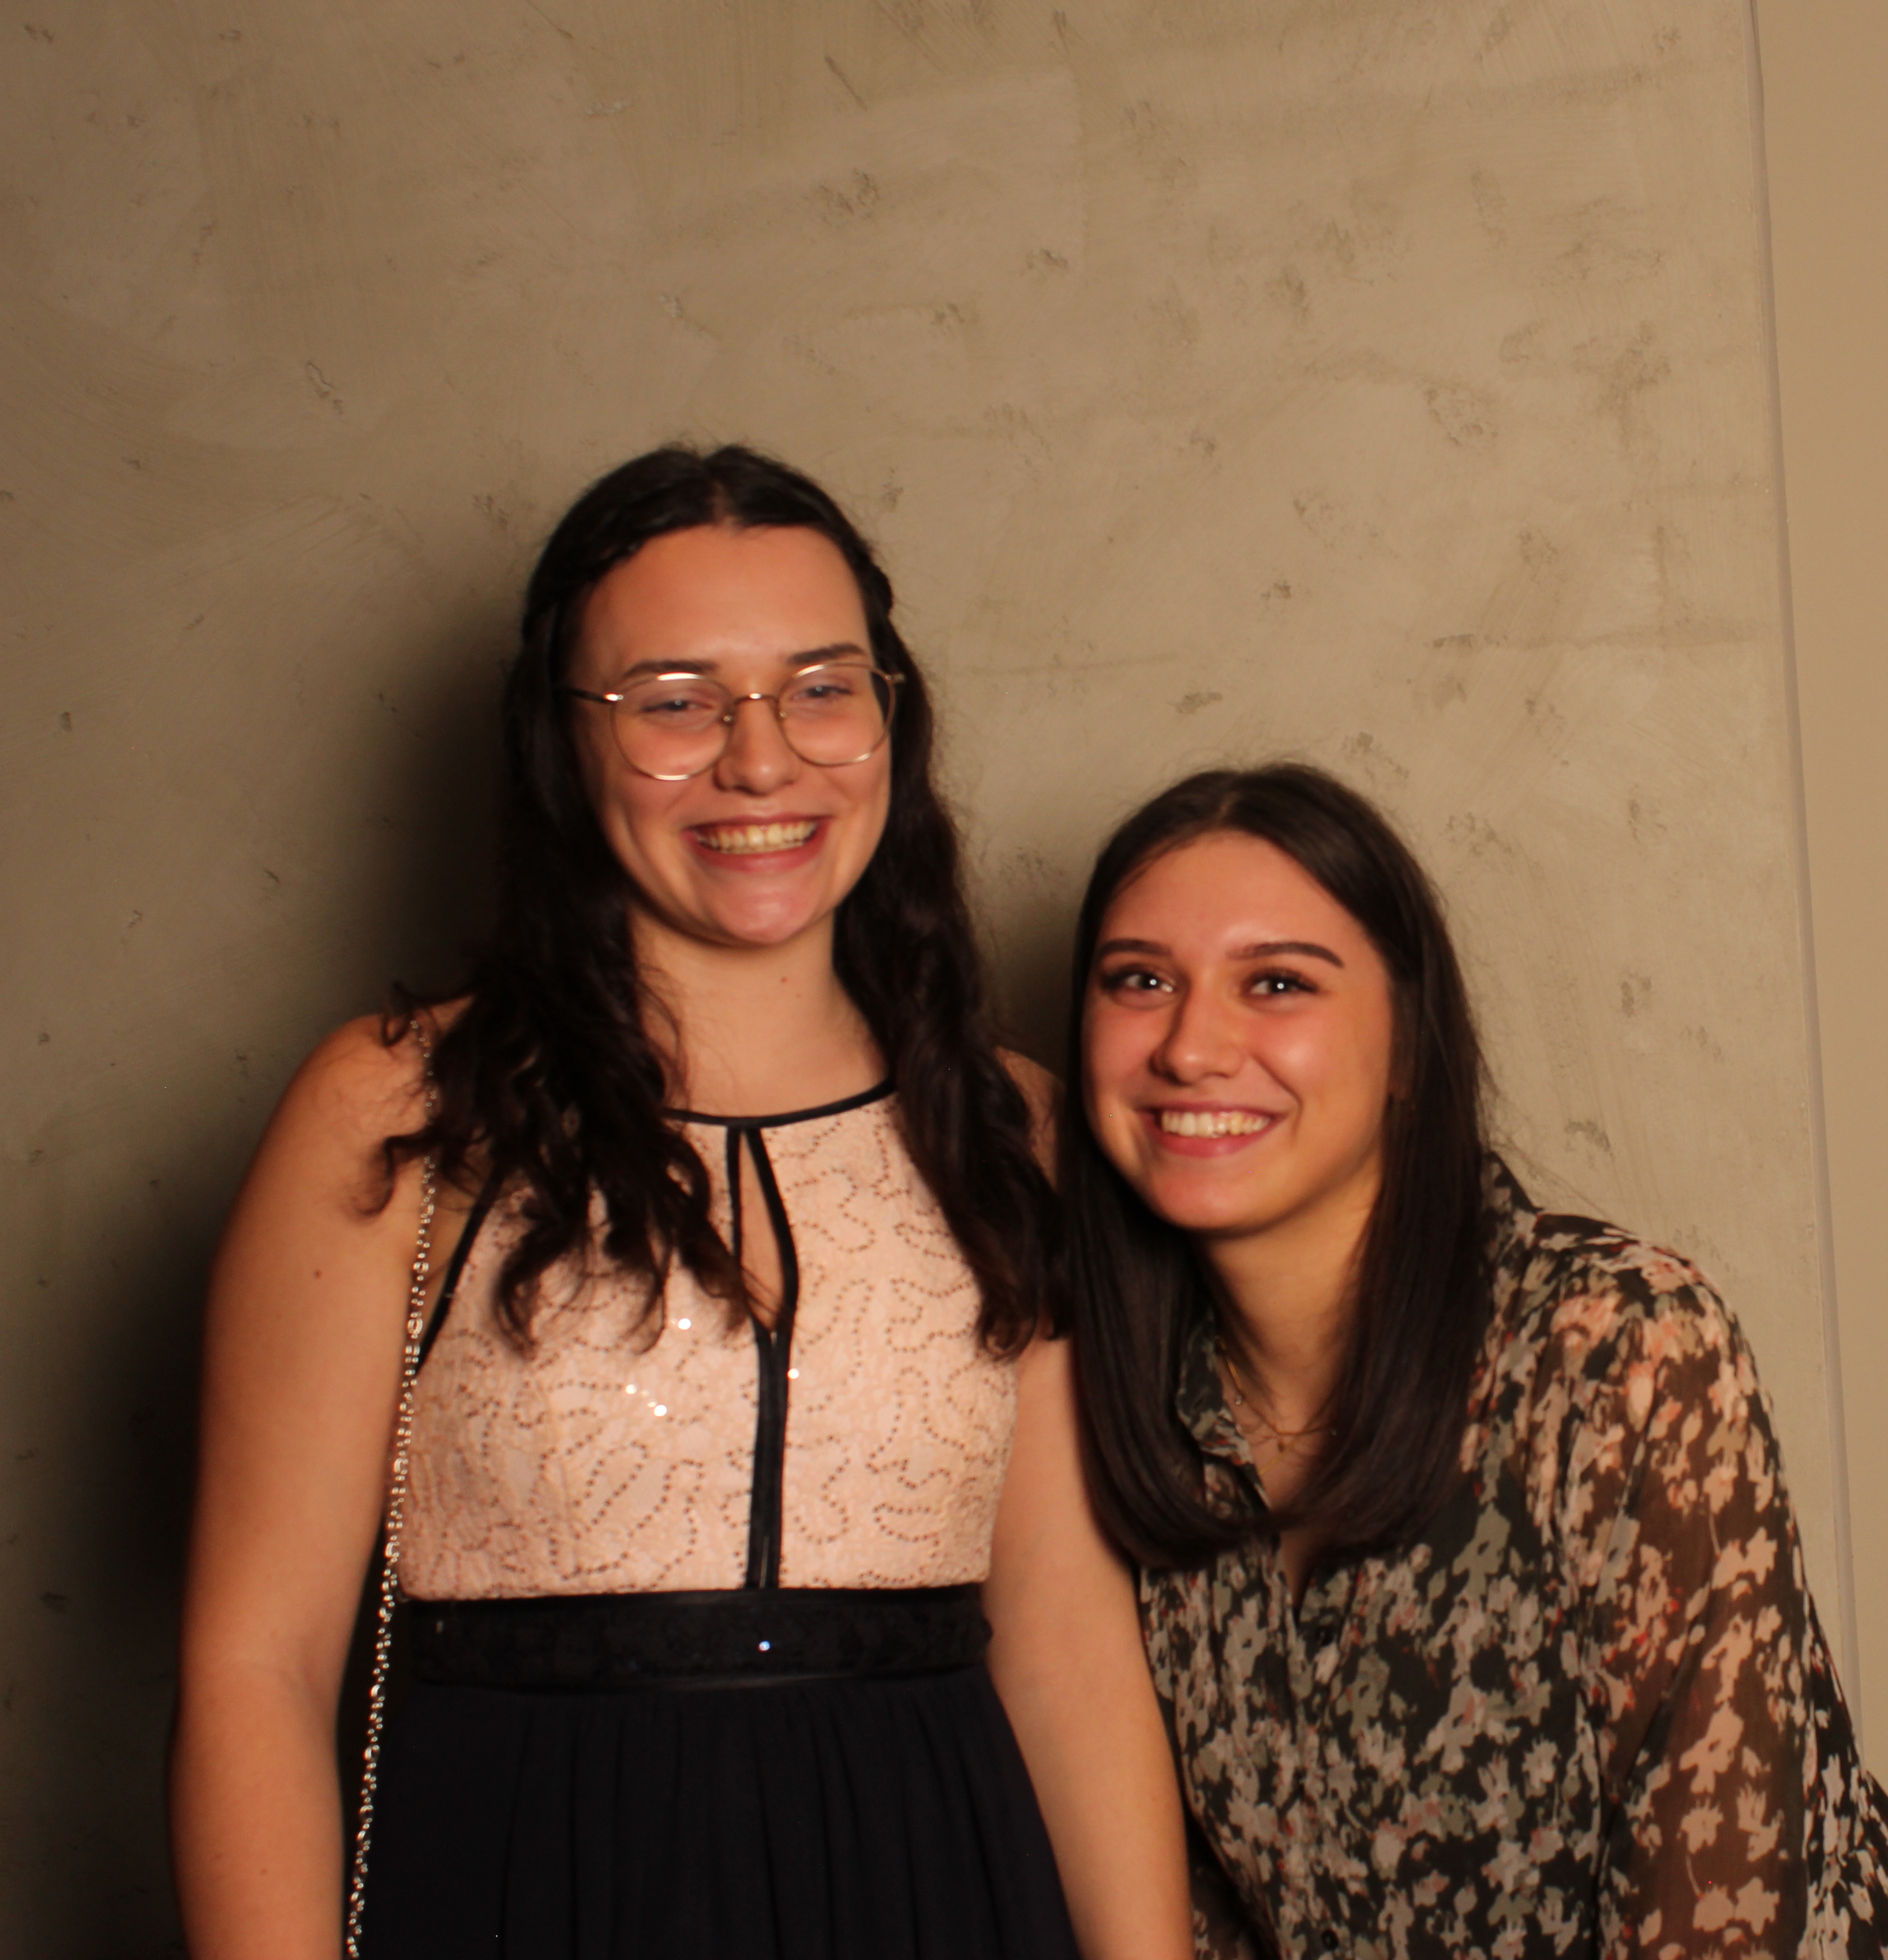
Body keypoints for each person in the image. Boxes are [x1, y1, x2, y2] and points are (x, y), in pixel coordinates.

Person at [173, 445, 1188, 1960]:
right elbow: (257, 1666)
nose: (761, 761)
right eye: (674, 701)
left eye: (822, 688)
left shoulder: (1011, 1126)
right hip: (527, 1892)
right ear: (561, 741)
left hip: (941, 1892)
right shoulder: (395, 1112)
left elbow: (1068, 1654)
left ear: (892, 719)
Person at [1059, 763, 1888, 1959]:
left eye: (1277, 982)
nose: (1190, 1047)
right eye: (1140, 981)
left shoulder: (1623, 1354)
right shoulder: (1112, 1404)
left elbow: (1722, 1916)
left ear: (1408, 1046)